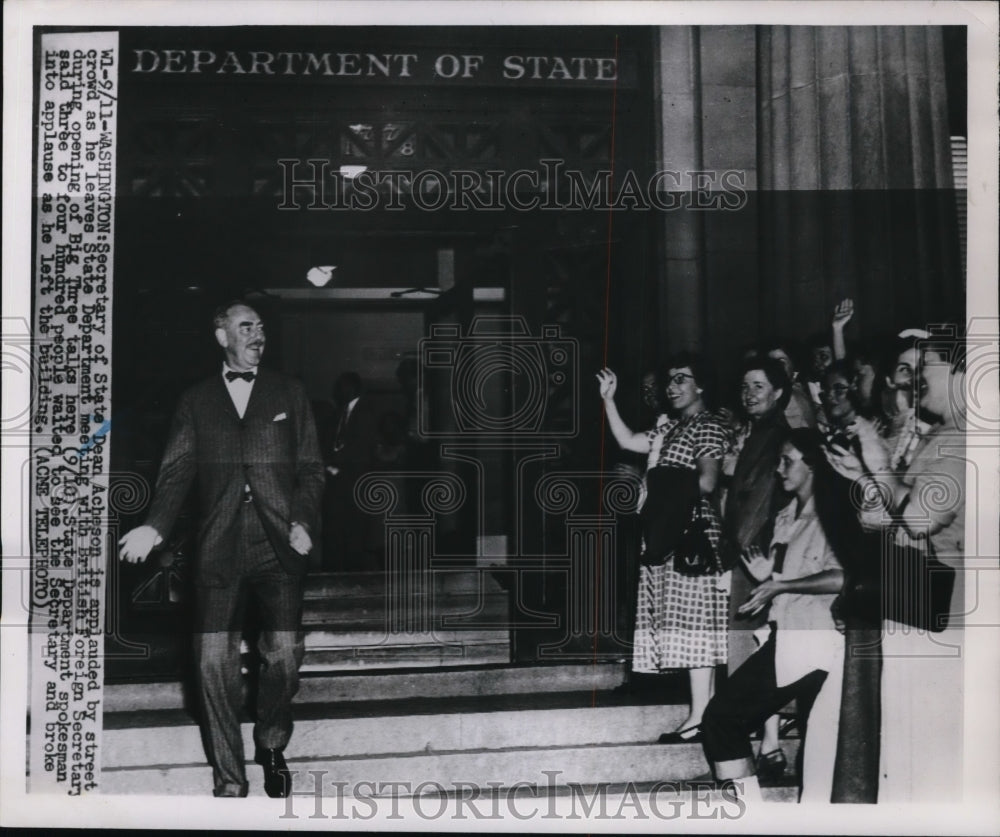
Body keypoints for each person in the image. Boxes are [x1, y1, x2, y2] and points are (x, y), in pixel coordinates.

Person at [118, 300, 325, 798]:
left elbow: (312, 470)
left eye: (261, 328)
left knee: (284, 656)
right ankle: (230, 780)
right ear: (221, 336)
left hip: (278, 545)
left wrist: (302, 519)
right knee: (212, 662)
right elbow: (177, 471)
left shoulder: (289, 393)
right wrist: (154, 526)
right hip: (219, 547)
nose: (258, 336)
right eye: (246, 327)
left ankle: (272, 743)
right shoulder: (196, 400)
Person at [826, 334, 966, 802]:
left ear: (962, 375)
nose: (918, 377)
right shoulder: (944, 437)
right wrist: (866, 475)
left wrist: (880, 465)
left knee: (925, 760)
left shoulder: (960, 440)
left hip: (941, 612)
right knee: (906, 753)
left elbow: (923, 519)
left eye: (929, 365)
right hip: (917, 604)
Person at [702, 428, 847, 803]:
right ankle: (750, 815)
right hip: (788, 637)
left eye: (787, 460)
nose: (779, 468)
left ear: (813, 465)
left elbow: (842, 576)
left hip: (818, 640)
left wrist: (780, 584)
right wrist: (770, 576)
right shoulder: (786, 514)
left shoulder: (835, 515)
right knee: (726, 719)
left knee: (723, 717)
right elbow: (788, 574)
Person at [597, 354, 729, 740]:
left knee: (695, 628)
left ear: (700, 386)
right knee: (683, 626)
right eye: (670, 381)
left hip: (693, 536)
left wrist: (657, 489)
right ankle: (702, 711)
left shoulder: (706, 426)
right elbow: (625, 440)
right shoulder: (670, 427)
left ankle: (701, 714)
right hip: (667, 534)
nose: (672, 388)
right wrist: (609, 400)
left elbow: (706, 482)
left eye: (682, 380)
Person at [718, 355, 791, 772]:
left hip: (758, 559)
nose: (749, 394)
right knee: (751, 651)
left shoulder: (777, 435)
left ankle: (768, 745)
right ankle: (764, 744)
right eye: (745, 387)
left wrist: (749, 555)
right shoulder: (756, 433)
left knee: (758, 651)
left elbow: (764, 501)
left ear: (779, 392)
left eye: (758, 386)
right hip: (749, 556)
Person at [322, 371, 380, 571]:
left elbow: (360, 449)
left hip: (355, 482)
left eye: (342, 386)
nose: (338, 391)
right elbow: (331, 443)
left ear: (353, 387)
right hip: (337, 484)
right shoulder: (338, 413)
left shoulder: (366, 412)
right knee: (337, 529)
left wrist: (336, 465)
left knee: (355, 530)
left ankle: (354, 571)